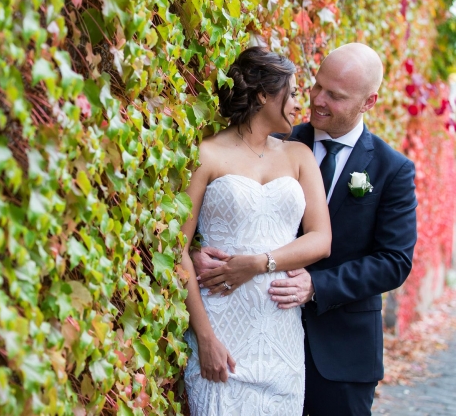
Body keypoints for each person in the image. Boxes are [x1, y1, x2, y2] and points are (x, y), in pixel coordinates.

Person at [193, 43, 418, 416]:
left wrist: (317, 286)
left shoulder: (391, 169)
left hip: (342, 350)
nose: (316, 100)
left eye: (335, 95)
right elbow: (228, 211)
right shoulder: (277, 137)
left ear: (369, 102)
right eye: (316, 86)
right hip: (246, 330)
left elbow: (394, 261)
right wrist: (200, 246)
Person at [179, 47, 332, 416]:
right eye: (292, 93)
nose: (299, 104)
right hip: (222, 335)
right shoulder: (208, 154)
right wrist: (205, 339)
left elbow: (321, 239)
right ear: (263, 94)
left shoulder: (300, 157)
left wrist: (258, 263)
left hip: (281, 337)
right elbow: (177, 249)